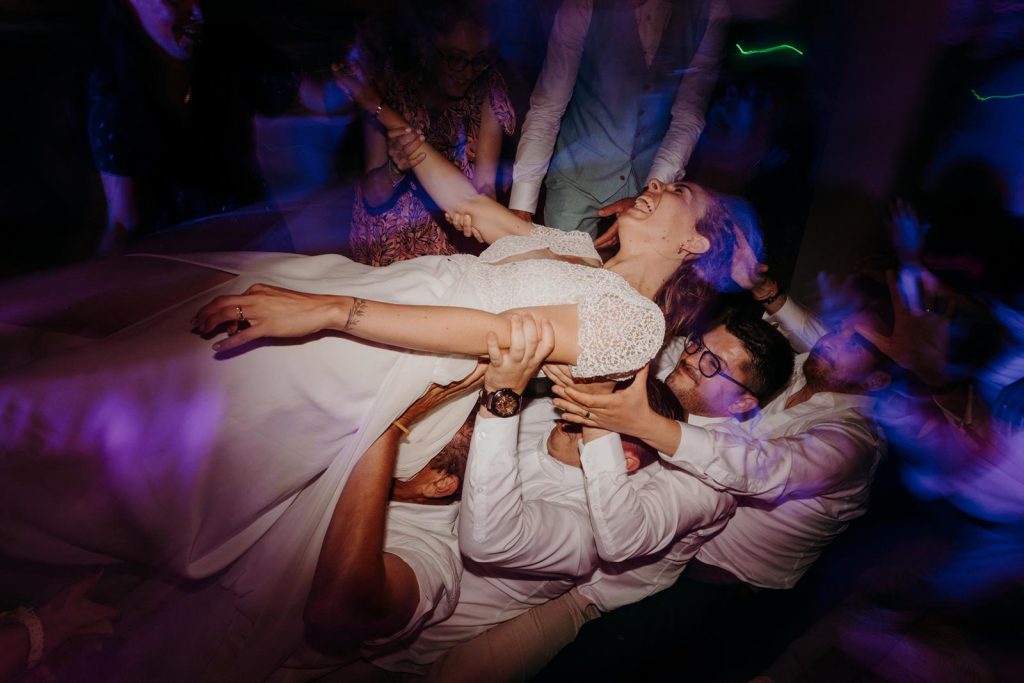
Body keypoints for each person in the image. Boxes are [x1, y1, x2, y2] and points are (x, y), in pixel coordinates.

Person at [0, 65, 748, 680]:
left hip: (382, 355)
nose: (660, 184)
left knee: (127, 408)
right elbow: (475, 214)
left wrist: (327, 313)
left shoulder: (636, 323)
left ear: (695, 246)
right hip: (379, 302)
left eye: (680, 194)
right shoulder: (583, 255)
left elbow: (489, 331)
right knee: (126, 354)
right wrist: (383, 112)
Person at [88, 0, 299, 253]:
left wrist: (350, 80)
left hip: (259, 247)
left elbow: (316, 95)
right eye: (176, 1)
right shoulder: (115, 95)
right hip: (185, 266)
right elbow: (123, 221)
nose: (198, 12)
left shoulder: (226, 52)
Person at [509, 0, 727, 236]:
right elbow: (547, 108)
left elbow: (688, 117)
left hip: (650, 178)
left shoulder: (712, 10)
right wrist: (522, 204)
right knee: (561, 267)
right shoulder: (582, 6)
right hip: (575, 181)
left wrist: (651, 192)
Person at [348, 1, 516, 266]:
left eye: (478, 60)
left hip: (450, 245)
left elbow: (485, 186)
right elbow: (372, 196)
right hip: (389, 242)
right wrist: (394, 171)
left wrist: (478, 209)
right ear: (427, 47)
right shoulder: (389, 88)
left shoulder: (489, 88)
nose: (467, 72)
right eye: (456, 58)